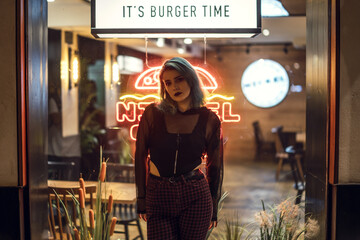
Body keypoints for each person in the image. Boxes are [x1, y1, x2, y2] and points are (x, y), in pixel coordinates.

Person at [135, 57, 223, 239]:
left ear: (191, 79)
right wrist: (141, 199)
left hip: (195, 195)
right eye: (168, 82)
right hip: (158, 194)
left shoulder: (209, 119)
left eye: (179, 79)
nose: (174, 86)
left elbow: (215, 166)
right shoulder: (152, 113)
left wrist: (214, 205)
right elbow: (140, 156)